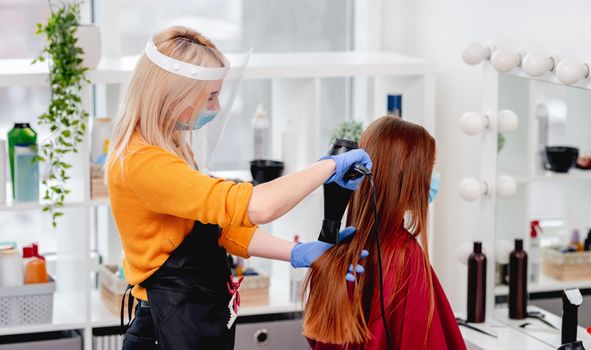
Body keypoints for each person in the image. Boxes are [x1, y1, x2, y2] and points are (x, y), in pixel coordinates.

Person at [106, 26, 372, 350]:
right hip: (164, 329)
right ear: (173, 97)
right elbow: (257, 206)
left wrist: (299, 253)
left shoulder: (170, 147)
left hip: (194, 319)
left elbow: (218, 229)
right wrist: (328, 166)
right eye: (210, 97)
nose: (216, 108)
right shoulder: (143, 162)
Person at [303, 116, 466, 350]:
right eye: (430, 167)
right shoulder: (404, 255)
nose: (433, 177)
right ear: (407, 178)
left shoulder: (342, 248)